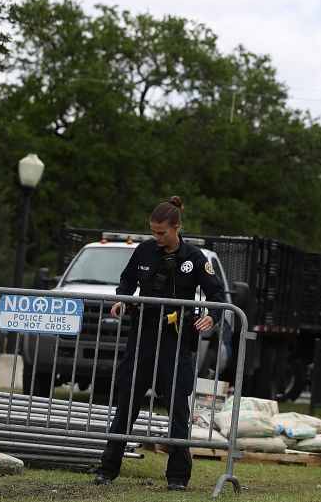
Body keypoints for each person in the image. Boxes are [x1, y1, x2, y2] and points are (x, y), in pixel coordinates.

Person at [93, 196, 226, 491]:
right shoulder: (144, 250)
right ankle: (107, 469)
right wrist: (122, 300)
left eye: (162, 232)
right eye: (153, 232)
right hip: (143, 333)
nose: (157, 237)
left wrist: (212, 317)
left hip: (176, 338)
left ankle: (178, 478)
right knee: (127, 401)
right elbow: (127, 281)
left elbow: (217, 295)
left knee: (178, 406)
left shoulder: (195, 258)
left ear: (176, 228)